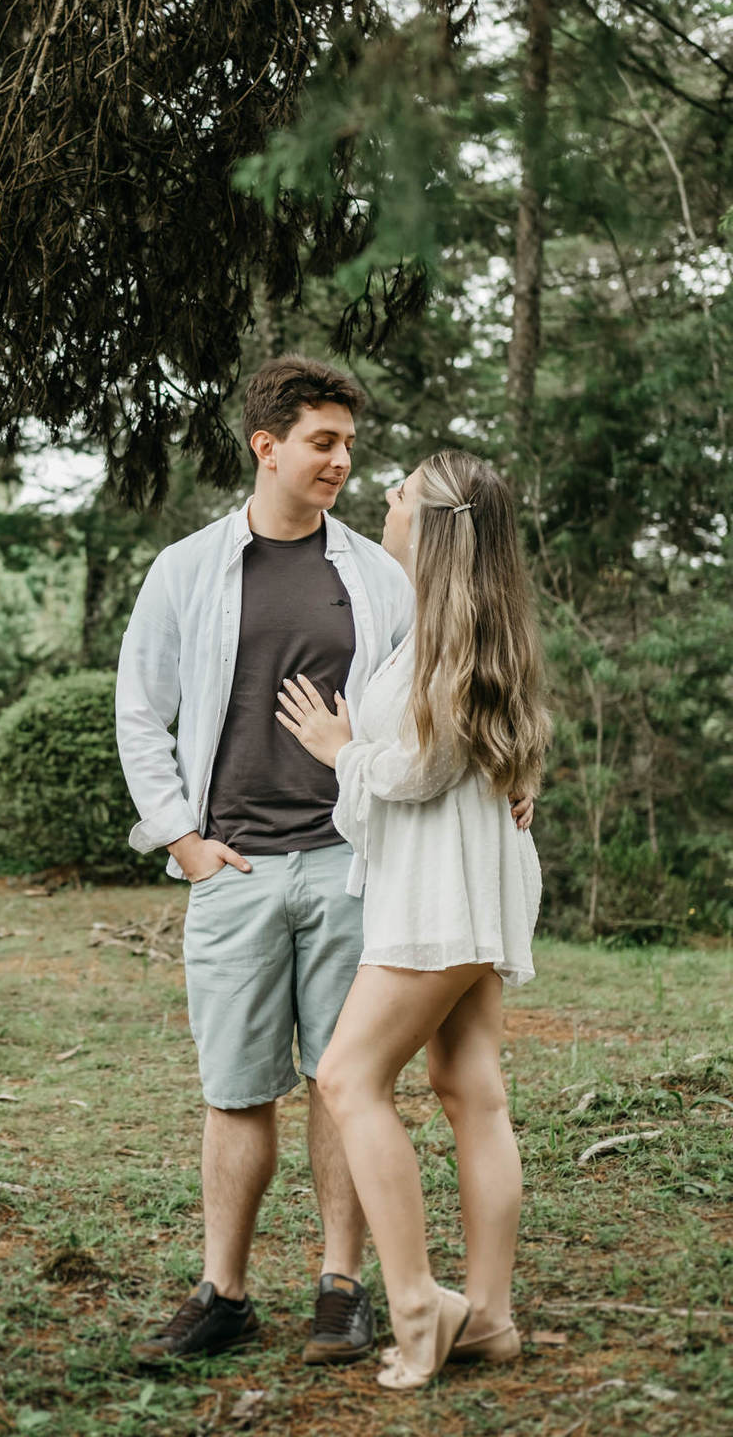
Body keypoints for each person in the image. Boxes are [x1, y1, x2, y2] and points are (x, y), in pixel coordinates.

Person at [115, 354, 416, 1367]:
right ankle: (225, 1295)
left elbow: (426, 705)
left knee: (345, 1084)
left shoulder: (375, 577)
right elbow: (139, 711)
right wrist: (184, 840)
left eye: (346, 444)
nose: (339, 461)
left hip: (349, 868)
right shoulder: (188, 570)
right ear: (267, 446)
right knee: (237, 1089)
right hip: (234, 873)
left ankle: (341, 1291)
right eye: (322, 442)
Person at [275, 448, 550, 1391]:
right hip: (482, 889)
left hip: (438, 896)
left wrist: (339, 749)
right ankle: (493, 1319)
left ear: (431, 528)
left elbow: (414, 775)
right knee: (470, 1085)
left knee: (349, 1077)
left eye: (398, 496)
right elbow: (482, 760)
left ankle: (418, 1304)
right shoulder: (477, 627)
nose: (382, 501)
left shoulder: (442, 640)